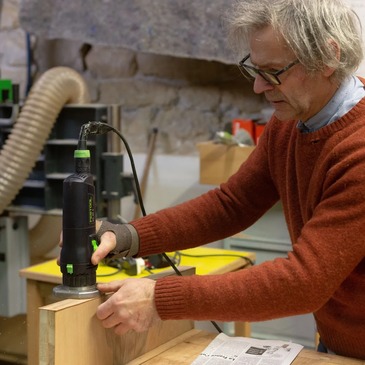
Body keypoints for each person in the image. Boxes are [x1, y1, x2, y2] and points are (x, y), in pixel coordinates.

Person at [91, 0, 365, 360]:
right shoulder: (290, 123)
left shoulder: (357, 151)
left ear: (328, 58)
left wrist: (160, 299)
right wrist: (129, 235)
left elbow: (303, 282)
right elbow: (231, 204)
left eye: (273, 71)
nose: (257, 86)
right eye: (254, 68)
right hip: (339, 342)